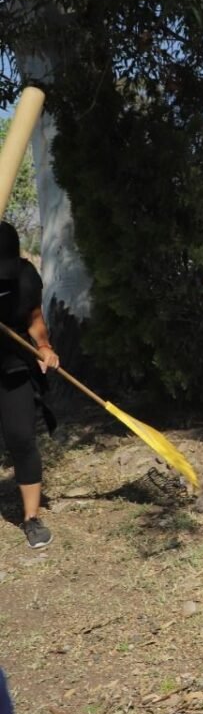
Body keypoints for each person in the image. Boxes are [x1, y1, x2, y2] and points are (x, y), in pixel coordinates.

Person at [0, 222, 59, 550]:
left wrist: (45, 347)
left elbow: (34, 319)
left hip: (14, 364)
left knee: (22, 437)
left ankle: (32, 518)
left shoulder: (25, 278)